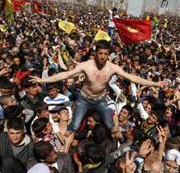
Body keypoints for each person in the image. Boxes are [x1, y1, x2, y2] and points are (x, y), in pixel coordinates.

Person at [30, 40, 164, 132]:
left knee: (109, 125)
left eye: (106, 54)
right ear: (95, 53)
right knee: (74, 126)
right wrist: (43, 80)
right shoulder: (86, 65)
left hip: (100, 100)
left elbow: (132, 77)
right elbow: (65, 75)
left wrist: (154, 83)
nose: (103, 57)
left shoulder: (112, 67)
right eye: (100, 53)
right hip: (83, 99)